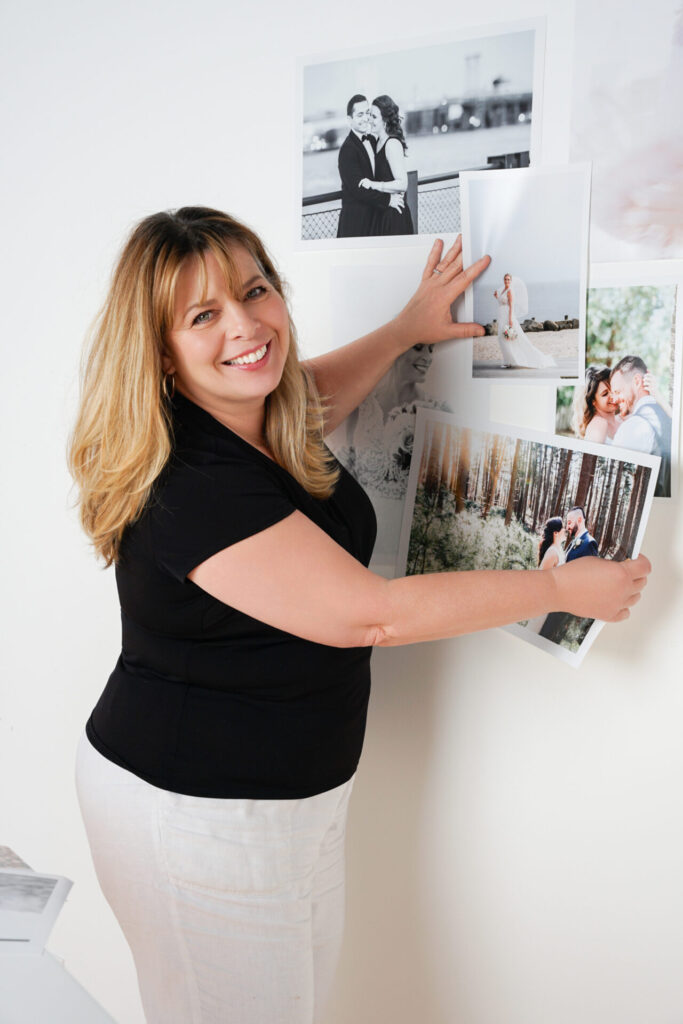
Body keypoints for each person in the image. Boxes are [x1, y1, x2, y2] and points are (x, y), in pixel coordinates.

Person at [69, 207, 649, 1024]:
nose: (245, 325)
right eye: (204, 315)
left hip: (288, 799)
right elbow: (368, 615)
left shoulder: (258, 416)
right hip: (196, 813)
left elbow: (312, 392)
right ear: (160, 352)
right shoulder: (190, 484)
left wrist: (406, 329)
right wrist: (556, 589)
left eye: (254, 290)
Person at [330, 342, 447, 569]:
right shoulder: (360, 402)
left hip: (407, 545)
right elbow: (345, 464)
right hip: (355, 539)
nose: (427, 357)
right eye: (419, 347)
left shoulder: (437, 409)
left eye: (431, 350)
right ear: (397, 347)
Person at [336, 94, 403, 238]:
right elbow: (358, 189)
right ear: (349, 120)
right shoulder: (347, 150)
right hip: (356, 225)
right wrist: (388, 200)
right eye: (360, 115)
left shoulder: (373, 141)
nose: (366, 118)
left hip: (375, 221)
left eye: (367, 113)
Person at [610, 355, 673, 497]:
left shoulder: (634, 426)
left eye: (617, 391)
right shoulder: (669, 420)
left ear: (637, 381)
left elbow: (614, 481)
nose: (614, 399)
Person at [539, 507, 599, 642]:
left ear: (579, 520)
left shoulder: (589, 543)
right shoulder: (573, 542)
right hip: (555, 602)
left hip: (565, 607)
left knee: (550, 640)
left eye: (570, 522)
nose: (567, 527)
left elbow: (588, 580)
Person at [358, 94, 415, 236]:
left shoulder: (392, 144)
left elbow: (403, 184)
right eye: (369, 115)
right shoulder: (377, 143)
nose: (369, 120)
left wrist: (373, 184)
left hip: (395, 217)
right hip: (384, 213)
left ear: (385, 121)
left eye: (374, 117)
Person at [493, 273, 556, 370]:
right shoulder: (503, 290)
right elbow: (502, 302)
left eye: (509, 279)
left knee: (510, 338)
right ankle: (508, 361)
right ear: (503, 280)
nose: (507, 281)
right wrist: (497, 297)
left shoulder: (510, 291)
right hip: (501, 316)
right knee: (502, 338)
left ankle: (510, 361)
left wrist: (510, 319)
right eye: (505, 279)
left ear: (511, 281)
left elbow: (511, 306)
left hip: (507, 316)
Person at [525, 516, 567, 633]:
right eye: (563, 528)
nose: (565, 530)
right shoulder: (552, 552)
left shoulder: (559, 549)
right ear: (556, 533)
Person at [573, 365, 622, 443]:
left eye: (613, 388)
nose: (613, 395)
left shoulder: (621, 420)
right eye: (605, 394)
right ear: (593, 401)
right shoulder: (598, 425)